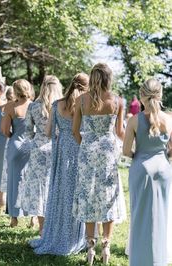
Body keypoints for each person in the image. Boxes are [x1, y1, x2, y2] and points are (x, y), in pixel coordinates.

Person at [30, 73, 89, 255]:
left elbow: (48, 132)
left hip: (61, 149)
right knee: (75, 191)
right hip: (78, 148)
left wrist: (60, 136)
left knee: (60, 191)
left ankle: (55, 235)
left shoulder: (56, 105)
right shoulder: (84, 105)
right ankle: (75, 238)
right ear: (86, 88)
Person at [72, 63, 125, 265]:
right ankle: (107, 245)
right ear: (108, 78)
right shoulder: (117, 101)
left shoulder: (81, 100)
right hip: (109, 152)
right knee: (107, 195)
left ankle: (90, 248)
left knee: (88, 195)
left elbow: (75, 132)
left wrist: (86, 146)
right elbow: (119, 132)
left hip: (88, 150)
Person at [123, 78, 172, 266]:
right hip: (163, 171)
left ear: (141, 96)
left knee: (139, 215)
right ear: (160, 95)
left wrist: (140, 155)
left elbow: (126, 151)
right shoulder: (169, 119)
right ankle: (158, 259)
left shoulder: (134, 120)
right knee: (162, 216)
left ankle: (139, 260)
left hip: (141, 170)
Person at [16, 75, 63, 235]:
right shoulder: (62, 106)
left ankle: (42, 228)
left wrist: (36, 138)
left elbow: (28, 131)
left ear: (43, 86)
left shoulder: (34, 106)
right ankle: (55, 226)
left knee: (39, 189)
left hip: (38, 148)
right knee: (55, 186)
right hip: (57, 148)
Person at [1, 79, 34, 227]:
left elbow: (4, 130)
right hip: (31, 146)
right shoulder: (34, 106)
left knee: (15, 182)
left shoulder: (10, 107)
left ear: (15, 90)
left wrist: (13, 137)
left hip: (15, 145)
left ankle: (14, 219)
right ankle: (33, 217)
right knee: (32, 181)